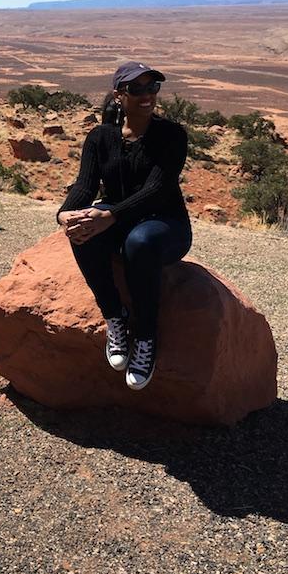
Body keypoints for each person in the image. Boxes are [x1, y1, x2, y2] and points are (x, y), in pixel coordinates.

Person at [57, 61, 192, 390]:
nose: (147, 95)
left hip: (165, 224)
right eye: (137, 89)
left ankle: (146, 337)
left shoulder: (171, 135)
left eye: (152, 87)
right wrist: (65, 215)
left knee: (139, 243)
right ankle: (115, 315)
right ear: (119, 95)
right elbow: (84, 187)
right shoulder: (100, 137)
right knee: (82, 229)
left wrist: (111, 215)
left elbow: (157, 189)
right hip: (119, 217)